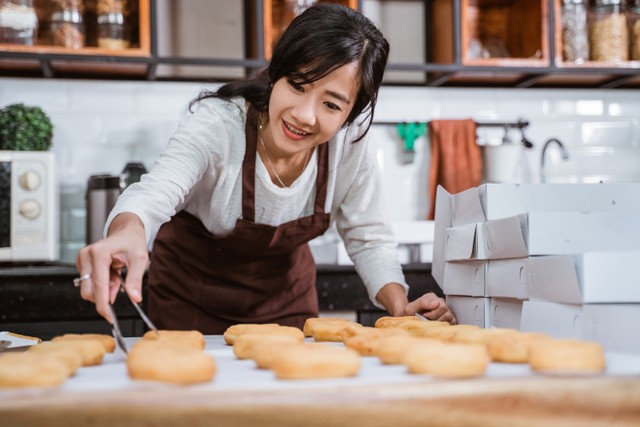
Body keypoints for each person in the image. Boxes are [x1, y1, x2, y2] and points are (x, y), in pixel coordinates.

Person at [75, 3, 456, 333]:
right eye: (298, 84)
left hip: (285, 305)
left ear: (351, 114)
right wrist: (127, 232)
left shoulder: (350, 144)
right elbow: (156, 192)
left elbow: (369, 237)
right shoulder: (219, 125)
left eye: (332, 104)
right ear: (276, 74)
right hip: (190, 299)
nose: (304, 116)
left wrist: (399, 306)